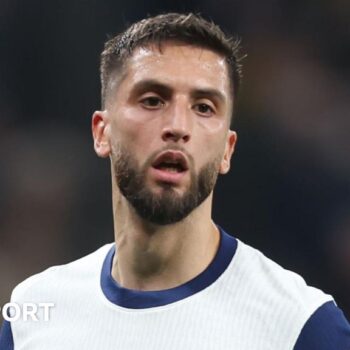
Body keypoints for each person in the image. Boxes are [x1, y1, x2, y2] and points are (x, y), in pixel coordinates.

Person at [0, 12, 349, 350]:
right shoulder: (33, 312)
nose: (178, 126)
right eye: (153, 100)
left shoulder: (301, 325)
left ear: (227, 150)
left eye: (204, 108)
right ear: (102, 132)